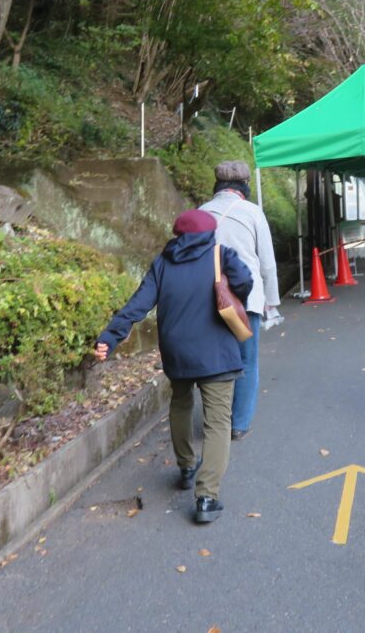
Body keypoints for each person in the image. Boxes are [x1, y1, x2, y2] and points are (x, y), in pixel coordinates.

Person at [94, 209, 253, 524]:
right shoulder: (221, 255)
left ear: (178, 235)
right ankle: (206, 497)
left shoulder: (163, 263)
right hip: (216, 352)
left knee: (180, 404)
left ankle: (186, 467)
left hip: (177, 352)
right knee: (217, 422)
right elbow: (245, 282)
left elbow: (139, 304)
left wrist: (110, 337)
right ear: (209, 233)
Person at [199, 160, 280, 441]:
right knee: (246, 361)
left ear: (218, 185)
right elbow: (267, 263)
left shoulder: (201, 212)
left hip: (208, 300)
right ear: (244, 186)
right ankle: (239, 424)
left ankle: (216, 421)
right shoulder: (253, 212)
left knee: (213, 362)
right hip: (246, 302)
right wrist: (271, 302)